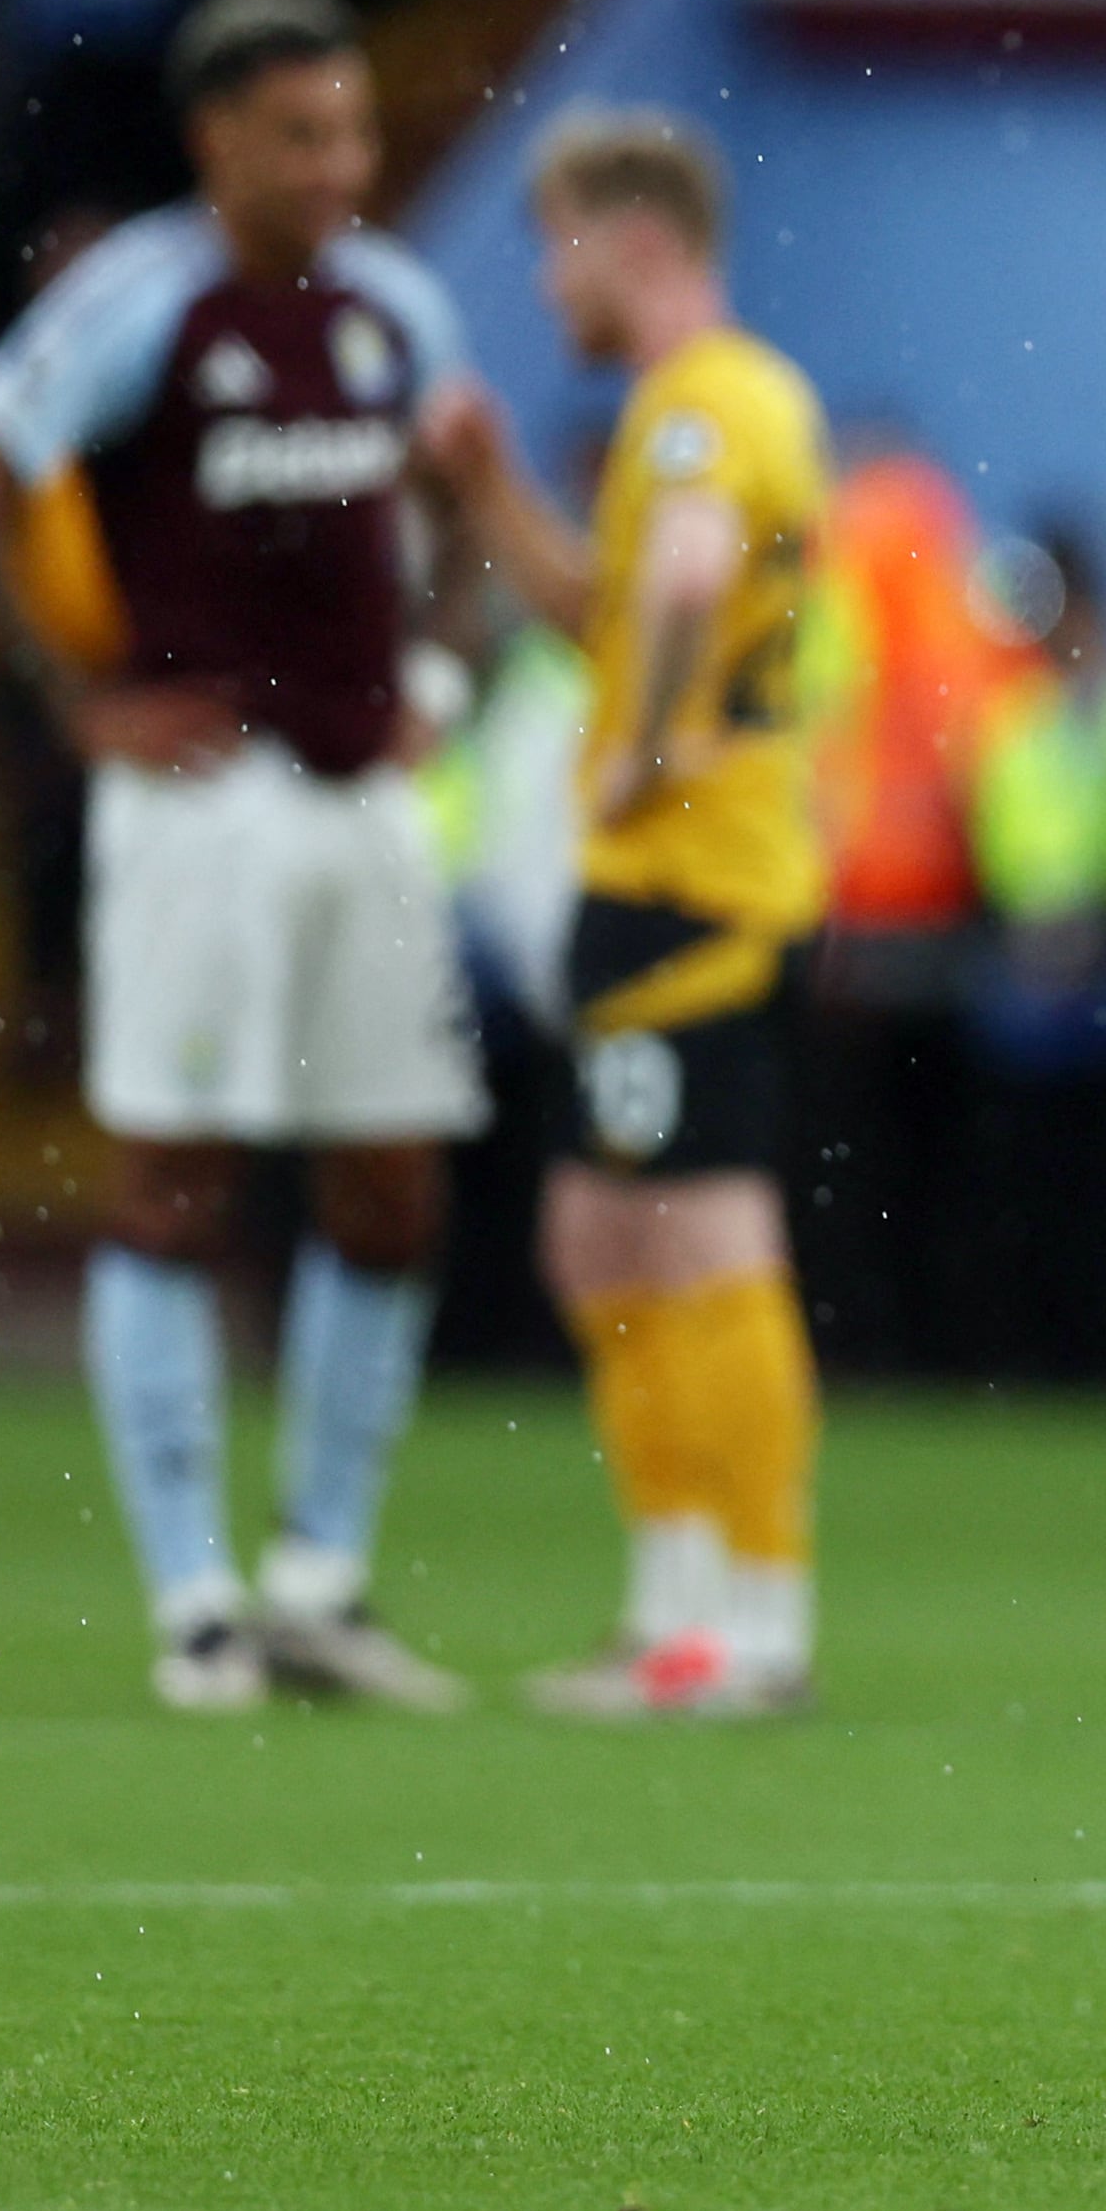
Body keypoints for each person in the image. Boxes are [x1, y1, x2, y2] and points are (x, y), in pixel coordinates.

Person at [0, 0, 487, 1715]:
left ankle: (318, 1578)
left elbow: (459, 499)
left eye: (354, 130)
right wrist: (79, 701)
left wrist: (439, 663)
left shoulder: (396, 305)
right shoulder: (141, 298)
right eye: (301, 135)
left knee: (392, 1183)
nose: (338, 166)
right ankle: (193, 1601)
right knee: (177, 1181)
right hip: (200, 800)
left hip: (365, 792)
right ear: (215, 138)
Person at [426, 108, 832, 1717]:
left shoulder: (705, 404)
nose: (546, 278)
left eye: (559, 240)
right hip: (661, 886)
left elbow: (673, 586)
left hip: (694, 880)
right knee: (599, 1232)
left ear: (637, 239)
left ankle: (753, 1618)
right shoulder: (712, 407)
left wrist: (651, 745)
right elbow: (611, 611)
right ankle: (679, 1603)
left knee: (703, 1229)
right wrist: (485, 488)